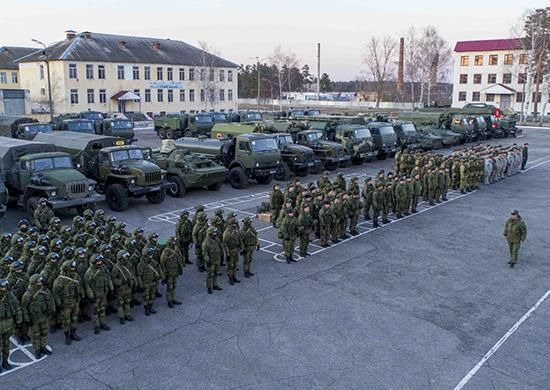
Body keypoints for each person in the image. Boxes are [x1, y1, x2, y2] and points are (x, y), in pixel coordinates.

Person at [21, 274, 55, 359]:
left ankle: (43, 347)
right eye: (39, 281)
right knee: (36, 335)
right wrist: (27, 319)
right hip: (34, 318)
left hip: (44, 316)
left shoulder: (45, 290)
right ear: (34, 283)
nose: (41, 282)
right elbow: (24, 308)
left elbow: (51, 301)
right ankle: (37, 350)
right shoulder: (28, 294)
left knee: (44, 333)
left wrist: (52, 311)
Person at [52, 261, 82, 345]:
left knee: (74, 318)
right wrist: (59, 303)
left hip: (75, 302)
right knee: (66, 321)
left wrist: (80, 296)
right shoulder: (60, 280)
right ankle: (67, 336)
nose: (73, 269)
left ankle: (73, 333)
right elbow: (55, 293)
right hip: (65, 304)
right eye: (71, 267)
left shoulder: (76, 276)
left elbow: (80, 286)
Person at [84, 254, 113, 334]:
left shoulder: (104, 268)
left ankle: (103, 323)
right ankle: (96, 325)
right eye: (98, 262)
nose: (100, 263)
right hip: (95, 294)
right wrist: (91, 296)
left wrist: (111, 288)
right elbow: (87, 286)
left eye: (100, 261)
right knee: (95, 311)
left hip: (103, 292)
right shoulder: (89, 273)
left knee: (103, 308)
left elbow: (108, 277)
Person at [0, 279, 22, 372]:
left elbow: (17, 308)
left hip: (8, 325)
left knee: (6, 346)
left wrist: (19, 320)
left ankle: (5, 361)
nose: (4, 288)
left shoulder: (10, 296)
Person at [110, 250, 136, 322]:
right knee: (120, 303)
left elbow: (132, 274)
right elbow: (113, 279)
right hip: (121, 288)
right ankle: (121, 316)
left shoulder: (129, 265)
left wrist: (133, 283)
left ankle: (128, 314)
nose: (126, 258)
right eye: (124, 257)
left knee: (127, 301)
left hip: (128, 287)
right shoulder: (116, 268)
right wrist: (120, 281)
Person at [137, 248, 164, 315]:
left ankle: (150, 307)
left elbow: (159, 269)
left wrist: (162, 277)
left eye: (151, 254)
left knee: (152, 295)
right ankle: (146, 309)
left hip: (153, 282)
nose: (151, 256)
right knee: (146, 297)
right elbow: (139, 276)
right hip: (146, 283)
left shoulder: (153, 262)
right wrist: (141, 285)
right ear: (145, 256)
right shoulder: (141, 265)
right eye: (149, 254)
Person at [160, 238, 184, 307]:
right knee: (169, 287)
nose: (174, 243)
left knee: (174, 286)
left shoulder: (176, 249)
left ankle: (173, 298)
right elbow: (162, 263)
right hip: (169, 273)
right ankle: (169, 301)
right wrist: (164, 274)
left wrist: (181, 268)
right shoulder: (165, 252)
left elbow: (179, 259)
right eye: (173, 243)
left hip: (175, 271)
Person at [203, 227, 223, 294]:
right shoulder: (206, 242)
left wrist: (222, 254)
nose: (215, 234)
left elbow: (220, 246)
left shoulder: (216, 239)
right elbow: (205, 253)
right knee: (210, 275)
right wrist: (207, 260)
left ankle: (215, 285)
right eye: (213, 233)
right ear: (210, 234)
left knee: (216, 273)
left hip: (217, 259)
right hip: (211, 261)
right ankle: (209, 287)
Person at [223, 219, 242, 285]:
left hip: (236, 249)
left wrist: (241, 248)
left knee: (235, 265)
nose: (235, 224)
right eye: (234, 223)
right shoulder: (227, 233)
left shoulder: (236, 230)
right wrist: (227, 253)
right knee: (231, 266)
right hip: (231, 251)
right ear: (230, 224)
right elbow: (225, 244)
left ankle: (234, 277)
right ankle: (231, 278)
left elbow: (240, 239)